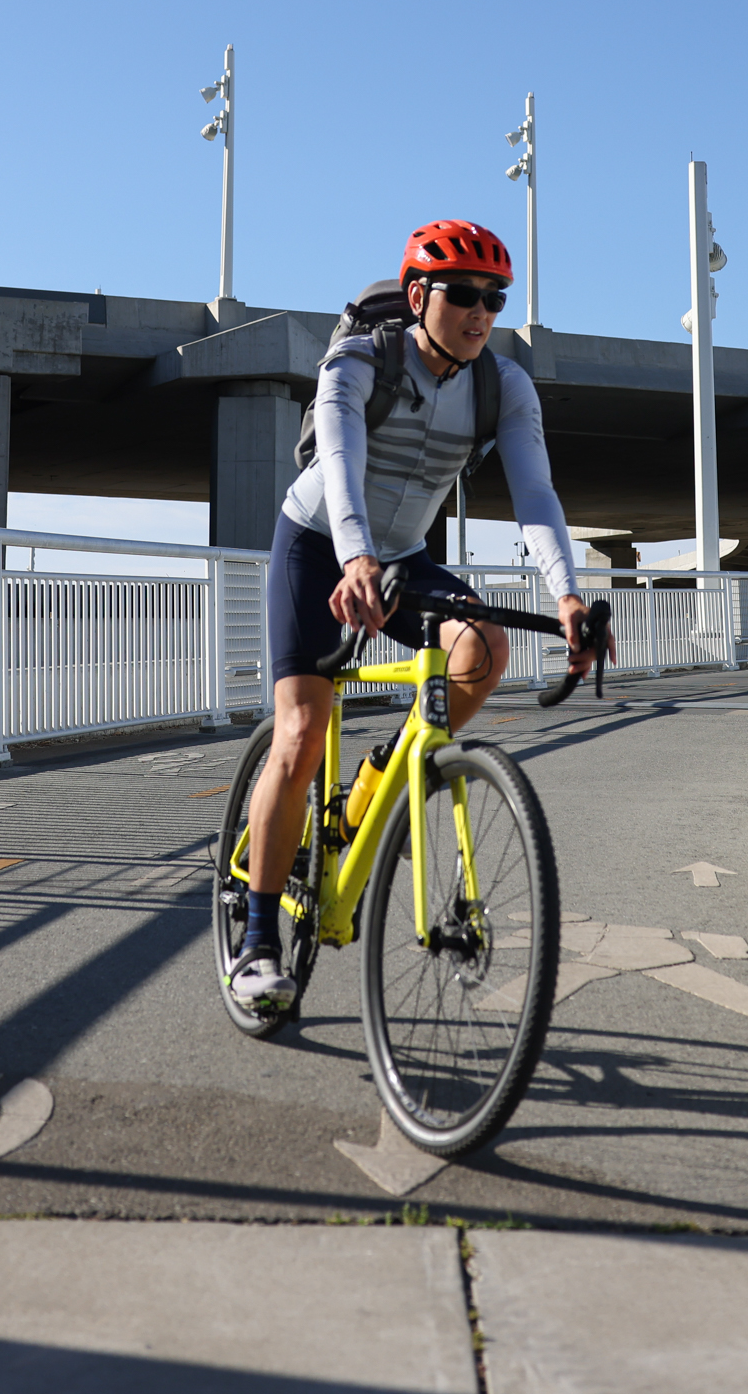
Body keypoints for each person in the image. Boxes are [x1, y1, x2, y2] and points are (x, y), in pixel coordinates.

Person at [228, 219, 604, 1014]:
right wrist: (355, 555)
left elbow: (535, 494)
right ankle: (257, 937)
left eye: (494, 297)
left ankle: (383, 776)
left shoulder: (505, 386)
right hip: (318, 541)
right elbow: (338, 457)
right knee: (298, 732)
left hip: (400, 555)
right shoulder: (363, 359)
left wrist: (566, 594)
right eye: (463, 293)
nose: (480, 310)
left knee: (485, 648)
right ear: (417, 296)